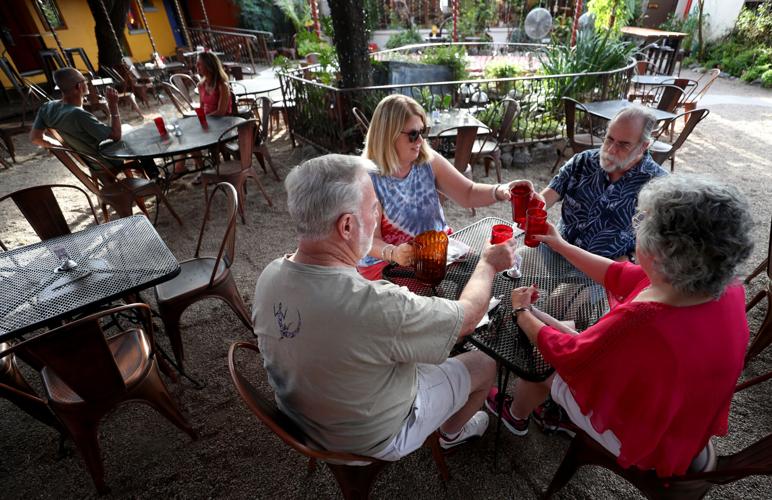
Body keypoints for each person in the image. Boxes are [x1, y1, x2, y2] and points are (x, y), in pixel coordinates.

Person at [487, 175, 753, 477]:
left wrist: (522, 312)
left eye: (643, 223)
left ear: (661, 253)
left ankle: (516, 414)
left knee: (538, 355)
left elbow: (569, 354)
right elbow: (618, 274)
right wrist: (560, 245)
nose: (637, 227)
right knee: (557, 326)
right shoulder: (719, 285)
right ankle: (543, 411)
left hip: (648, 436)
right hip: (681, 416)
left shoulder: (644, 318)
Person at [252, 154, 515, 459]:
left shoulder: (269, 274)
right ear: (347, 226)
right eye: (374, 208)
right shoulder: (375, 304)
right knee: (485, 363)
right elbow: (467, 319)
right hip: (370, 436)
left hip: (300, 418)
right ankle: (452, 433)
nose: (378, 215)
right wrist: (487, 264)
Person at [359, 94, 522, 280]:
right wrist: (393, 252)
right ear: (388, 135)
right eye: (413, 135)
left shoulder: (427, 160)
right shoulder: (368, 178)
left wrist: (500, 191)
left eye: (423, 132)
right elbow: (367, 241)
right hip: (388, 264)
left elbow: (467, 193)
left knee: (486, 277)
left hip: (437, 254)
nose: (420, 141)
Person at [531, 105, 668, 261]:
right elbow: (547, 196)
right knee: (511, 266)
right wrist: (529, 200)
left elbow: (659, 247)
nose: (610, 150)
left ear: (644, 146)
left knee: (562, 287)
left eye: (623, 145)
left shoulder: (659, 187)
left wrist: (621, 267)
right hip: (555, 249)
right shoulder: (584, 160)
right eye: (609, 139)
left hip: (603, 269)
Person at [29, 67, 123, 173]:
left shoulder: (47, 107)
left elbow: (35, 138)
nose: (87, 83)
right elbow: (116, 135)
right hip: (108, 162)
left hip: (91, 163)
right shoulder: (78, 115)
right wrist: (113, 105)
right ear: (79, 86)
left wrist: (64, 146)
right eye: (85, 81)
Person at [196, 52, 231, 116]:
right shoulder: (200, 85)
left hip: (224, 122)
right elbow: (202, 107)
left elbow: (221, 112)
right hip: (209, 121)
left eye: (199, 64)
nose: (196, 66)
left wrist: (206, 118)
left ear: (209, 66)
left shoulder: (222, 86)